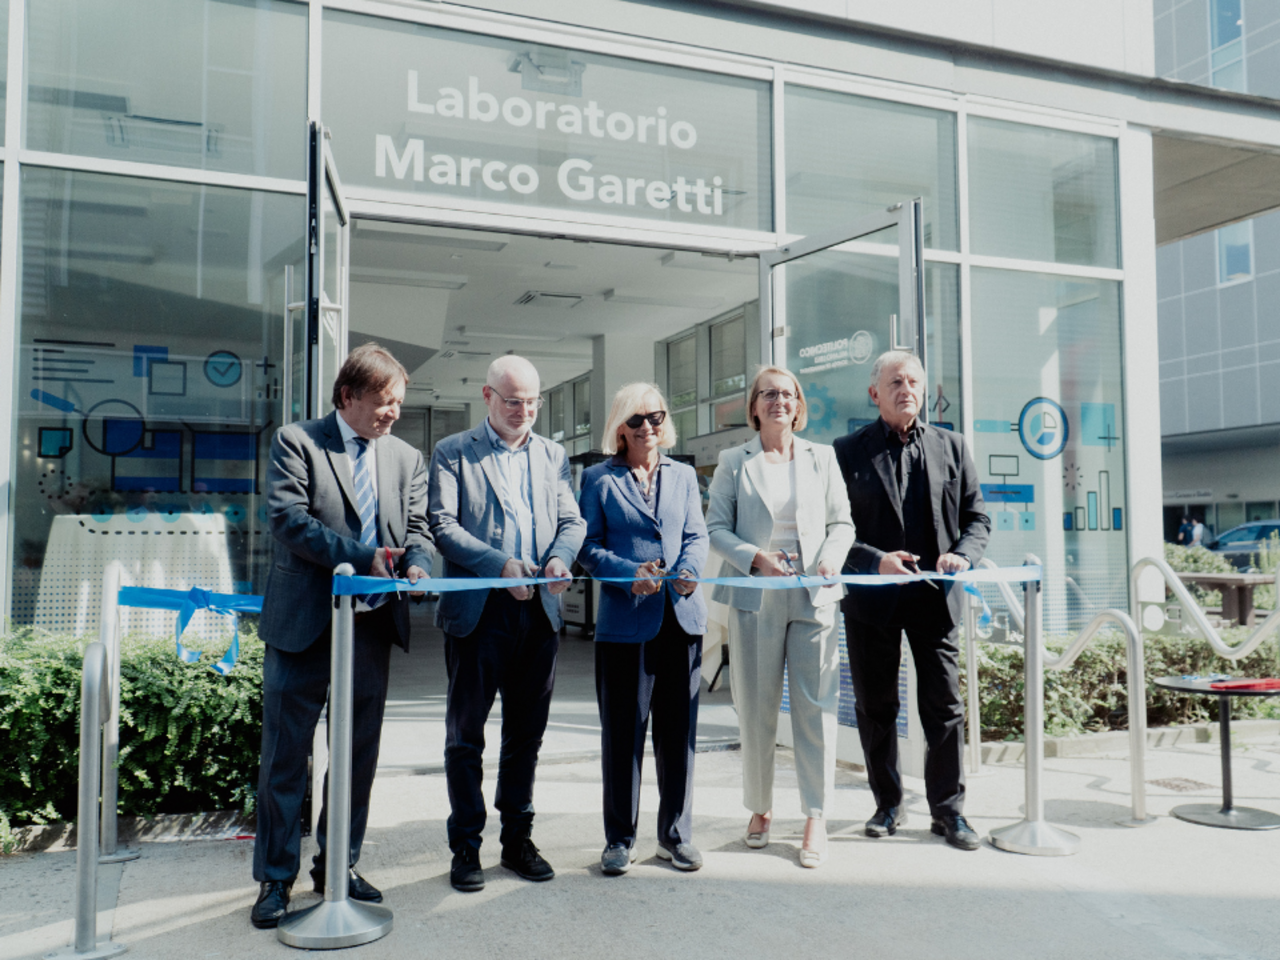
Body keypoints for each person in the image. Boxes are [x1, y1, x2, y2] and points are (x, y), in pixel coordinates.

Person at [251, 343, 432, 928]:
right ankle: (275, 881)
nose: (392, 415)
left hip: (371, 628)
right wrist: (365, 557)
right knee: (286, 758)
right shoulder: (297, 442)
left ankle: (339, 866)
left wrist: (420, 565)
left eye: (399, 404)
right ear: (348, 396)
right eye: (383, 403)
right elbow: (289, 520)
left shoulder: (405, 457)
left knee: (355, 758)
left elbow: (421, 527)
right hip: (303, 626)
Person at [428, 355, 586, 893]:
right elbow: (443, 526)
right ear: (487, 396)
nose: (524, 410)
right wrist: (500, 566)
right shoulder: (453, 452)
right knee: (465, 738)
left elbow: (571, 520)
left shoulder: (552, 454)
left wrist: (562, 557)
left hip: (538, 611)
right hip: (479, 613)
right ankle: (466, 846)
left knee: (526, 735)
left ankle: (517, 838)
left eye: (533, 401)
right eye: (513, 400)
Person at [832, 350, 990, 851]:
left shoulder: (953, 446)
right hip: (871, 601)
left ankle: (948, 812)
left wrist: (963, 555)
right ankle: (887, 804)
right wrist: (874, 559)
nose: (907, 389)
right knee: (876, 707)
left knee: (943, 706)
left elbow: (977, 519)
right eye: (895, 381)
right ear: (874, 392)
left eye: (915, 381)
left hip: (934, 598)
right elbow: (831, 532)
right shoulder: (845, 451)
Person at [705, 366, 855, 868]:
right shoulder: (733, 461)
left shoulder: (823, 457)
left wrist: (832, 557)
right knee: (757, 709)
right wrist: (754, 558)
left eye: (788, 394)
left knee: (816, 709)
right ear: (754, 406)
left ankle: (816, 815)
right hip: (756, 594)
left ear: (798, 404)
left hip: (814, 594)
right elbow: (716, 529)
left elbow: (842, 522)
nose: (779, 402)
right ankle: (761, 807)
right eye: (769, 394)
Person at [578, 383, 710, 875]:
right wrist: (629, 576)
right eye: (636, 420)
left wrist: (691, 570)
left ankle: (675, 836)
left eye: (655, 417)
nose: (647, 428)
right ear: (619, 427)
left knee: (679, 737)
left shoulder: (683, 475)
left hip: (681, 618)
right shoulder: (598, 478)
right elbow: (587, 548)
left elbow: (696, 534)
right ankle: (619, 838)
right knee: (623, 736)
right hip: (625, 625)